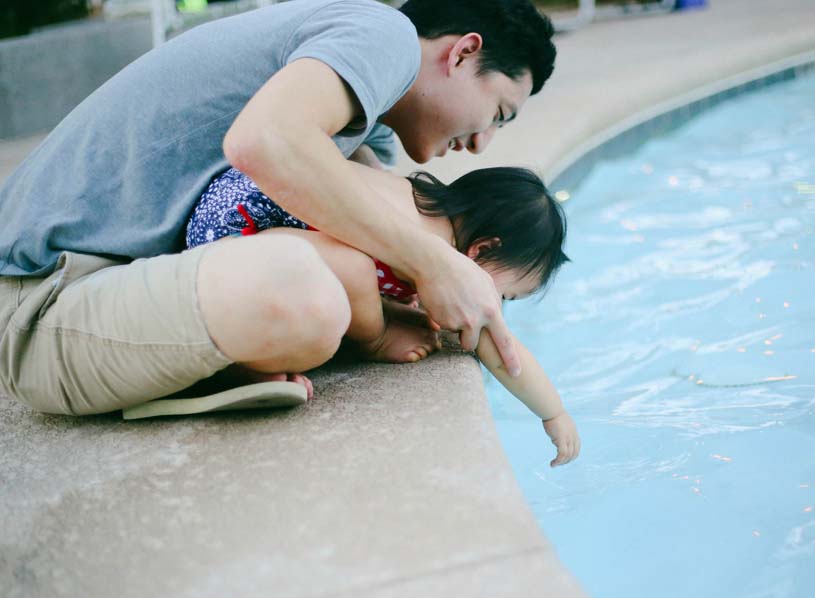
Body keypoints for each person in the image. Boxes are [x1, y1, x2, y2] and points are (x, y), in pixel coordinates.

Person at [0, 0, 557, 415]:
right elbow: (261, 142)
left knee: (319, 292)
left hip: (109, 293)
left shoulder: (363, 128)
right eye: (500, 113)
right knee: (304, 298)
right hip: (42, 302)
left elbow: (370, 243)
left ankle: (210, 366)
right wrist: (435, 264)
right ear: (463, 53)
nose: (484, 144)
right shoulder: (383, 35)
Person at [174, 163, 580, 466]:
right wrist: (553, 412)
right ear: (482, 250)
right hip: (232, 239)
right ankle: (240, 364)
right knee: (343, 286)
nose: (496, 308)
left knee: (344, 276)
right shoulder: (425, 244)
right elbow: (500, 347)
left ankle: (246, 352)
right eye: (504, 294)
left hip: (232, 208)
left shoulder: (413, 200)